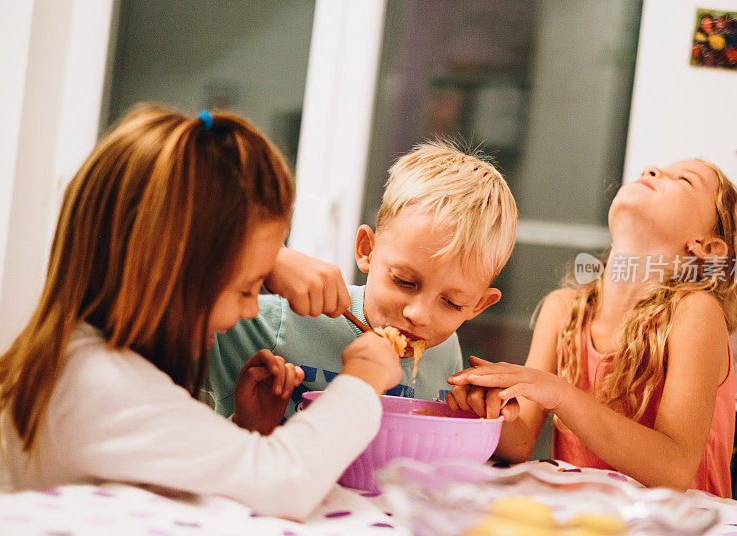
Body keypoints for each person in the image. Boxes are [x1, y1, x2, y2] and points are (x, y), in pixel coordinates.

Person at [0, 105, 403, 520]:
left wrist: (247, 435)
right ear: (164, 275)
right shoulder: (93, 381)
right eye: (247, 289)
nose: (250, 309)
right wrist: (363, 378)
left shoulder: (83, 362)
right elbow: (286, 482)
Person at [447, 159, 737, 498]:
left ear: (706, 247)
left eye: (684, 180)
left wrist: (560, 393)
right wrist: (487, 409)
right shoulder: (563, 310)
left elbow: (673, 470)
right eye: (655, 169)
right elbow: (520, 440)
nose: (652, 170)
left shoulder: (695, 313)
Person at [209, 141, 517, 419]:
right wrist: (271, 259)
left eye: (451, 303)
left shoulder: (446, 348)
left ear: (476, 306)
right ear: (366, 249)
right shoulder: (268, 319)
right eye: (404, 281)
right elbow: (172, 264)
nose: (418, 315)